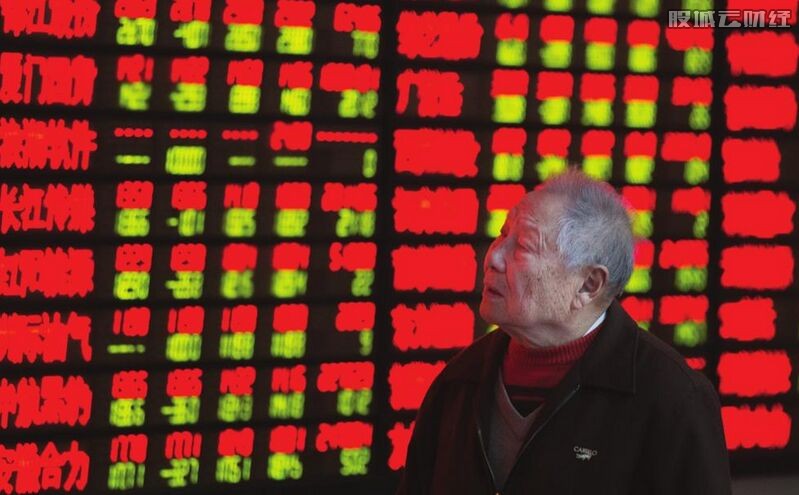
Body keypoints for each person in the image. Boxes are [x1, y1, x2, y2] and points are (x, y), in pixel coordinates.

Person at [396, 170, 731, 495]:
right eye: (502, 234)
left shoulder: (671, 399)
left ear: (588, 285)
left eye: (523, 247)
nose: (493, 257)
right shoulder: (459, 381)